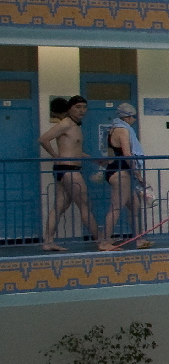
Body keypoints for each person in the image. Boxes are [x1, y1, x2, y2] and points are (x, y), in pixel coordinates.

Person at [40, 95, 109, 253]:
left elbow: (74, 151)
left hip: (66, 170)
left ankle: (48, 242)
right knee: (85, 205)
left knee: (59, 206)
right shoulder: (66, 124)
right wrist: (55, 156)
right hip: (69, 170)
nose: (82, 111)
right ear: (69, 108)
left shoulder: (74, 125)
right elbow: (43, 139)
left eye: (84, 107)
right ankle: (100, 241)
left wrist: (93, 160)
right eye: (78, 107)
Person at [102, 101, 151, 249]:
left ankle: (138, 238)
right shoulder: (123, 130)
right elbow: (127, 154)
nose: (135, 120)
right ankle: (104, 241)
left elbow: (111, 154)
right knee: (115, 208)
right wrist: (138, 175)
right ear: (128, 117)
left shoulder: (112, 129)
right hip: (120, 172)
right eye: (134, 117)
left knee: (134, 206)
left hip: (116, 170)